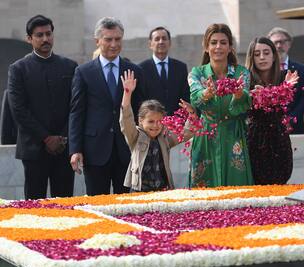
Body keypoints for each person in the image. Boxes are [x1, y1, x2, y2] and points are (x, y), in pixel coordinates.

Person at [69, 17, 142, 195]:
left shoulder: (134, 71)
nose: (113, 44)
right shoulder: (83, 72)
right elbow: (77, 112)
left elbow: (141, 110)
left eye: (118, 39)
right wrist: (75, 149)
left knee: (125, 206)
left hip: (126, 150)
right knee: (97, 204)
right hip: (95, 150)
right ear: (97, 41)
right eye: (108, 39)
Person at [7, 15, 77, 199]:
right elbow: (18, 109)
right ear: (29, 39)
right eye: (39, 35)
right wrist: (46, 138)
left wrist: (62, 137)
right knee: (34, 204)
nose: (45, 39)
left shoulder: (69, 67)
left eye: (48, 34)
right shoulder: (18, 69)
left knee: (64, 205)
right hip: (33, 148)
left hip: (64, 148)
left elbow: (76, 106)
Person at [188, 23, 254, 187]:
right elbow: (195, 96)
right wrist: (206, 94)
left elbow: (245, 102)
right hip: (206, 136)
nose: (218, 47)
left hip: (234, 135)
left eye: (223, 43)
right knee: (203, 191)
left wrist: (239, 95)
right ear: (206, 46)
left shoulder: (242, 73)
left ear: (230, 47)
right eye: (213, 42)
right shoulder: (197, 73)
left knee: (237, 189)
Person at [120, 70, 195, 192]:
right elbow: (126, 120)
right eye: (151, 121)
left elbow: (186, 134)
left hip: (162, 189)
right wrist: (127, 94)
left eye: (159, 121)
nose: (155, 125)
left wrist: (191, 114)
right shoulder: (135, 136)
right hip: (140, 190)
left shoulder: (165, 137)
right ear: (140, 121)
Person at [245, 37, 299, 184]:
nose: (262, 57)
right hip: (255, 139)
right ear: (252, 58)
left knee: (280, 183)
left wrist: (280, 90)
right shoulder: (246, 80)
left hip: (279, 138)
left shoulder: (284, 77)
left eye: (266, 52)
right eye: (257, 54)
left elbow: (291, 105)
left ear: (274, 56)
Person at [138, 27, 190, 116]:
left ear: (169, 43)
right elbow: (140, 100)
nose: (161, 42)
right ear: (150, 44)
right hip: (152, 122)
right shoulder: (141, 69)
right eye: (157, 39)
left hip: (176, 123)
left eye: (164, 38)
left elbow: (185, 97)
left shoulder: (181, 67)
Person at [268, 27, 304, 134]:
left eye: (282, 42)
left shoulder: (301, 69)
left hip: (295, 126)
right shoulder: (265, 69)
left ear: (289, 44)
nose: (279, 46)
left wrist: (291, 119)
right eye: (275, 42)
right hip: (271, 126)